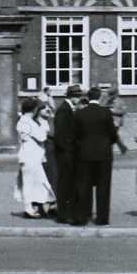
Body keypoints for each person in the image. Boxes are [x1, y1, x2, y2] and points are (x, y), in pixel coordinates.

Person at [71, 87, 127, 226]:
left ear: (88, 98)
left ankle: (81, 217)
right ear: (99, 97)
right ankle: (102, 218)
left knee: (83, 186)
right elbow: (113, 133)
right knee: (103, 186)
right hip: (104, 154)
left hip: (85, 154)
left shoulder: (80, 113)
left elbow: (75, 134)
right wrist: (109, 143)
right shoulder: (105, 113)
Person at [15, 98, 55, 218]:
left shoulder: (24, 121)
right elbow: (42, 137)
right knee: (30, 183)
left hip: (30, 156)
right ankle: (29, 209)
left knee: (37, 182)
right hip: (31, 156)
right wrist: (43, 126)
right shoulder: (27, 122)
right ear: (34, 109)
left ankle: (35, 207)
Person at [51, 85, 81, 224]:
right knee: (64, 183)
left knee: (68, 183)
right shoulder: (63, 110)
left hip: (67, 153)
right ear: (71, 96)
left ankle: (66, 212)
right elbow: (60, 134)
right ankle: (63, 214)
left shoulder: (67, 109)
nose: (78, 99)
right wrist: (68, 150)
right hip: (65, 154)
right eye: (77, 96)